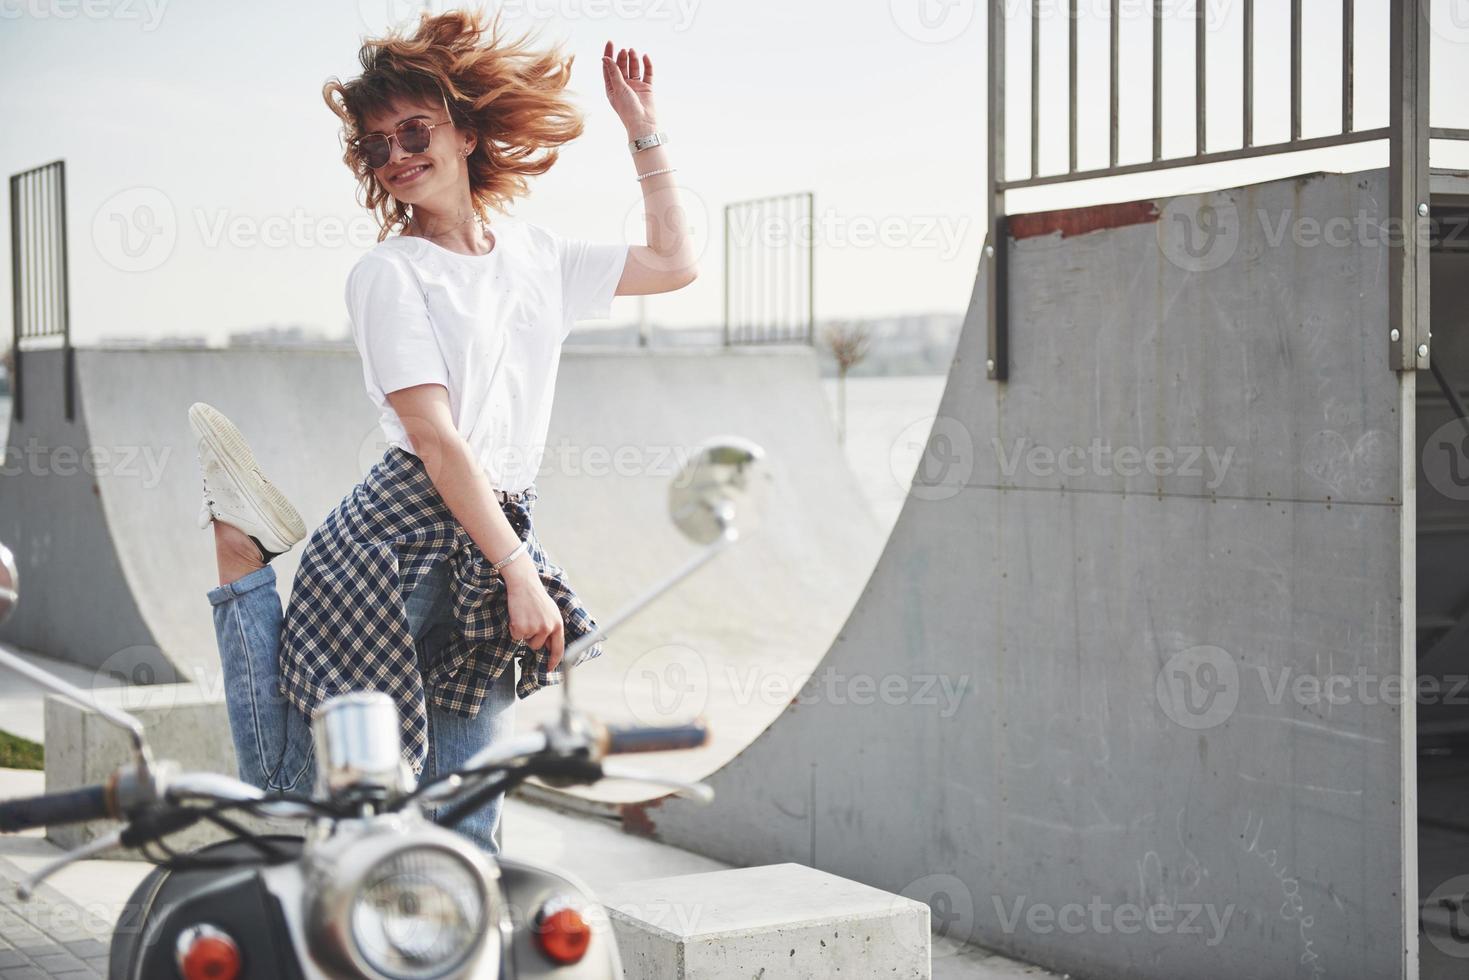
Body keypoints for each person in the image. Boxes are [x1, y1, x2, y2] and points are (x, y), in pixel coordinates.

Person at [191, 8, 698, 855]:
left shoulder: (537, 256)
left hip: (490, 528)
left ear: (465, 133)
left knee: (462, 817)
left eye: (414, 131)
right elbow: (437, 441)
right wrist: (518, 570)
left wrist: (643, 133)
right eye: (377, 144)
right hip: (391, 544)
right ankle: (238, 554)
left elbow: (675, 263)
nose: (396, 157)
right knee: (307, 800)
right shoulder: (390, 273)